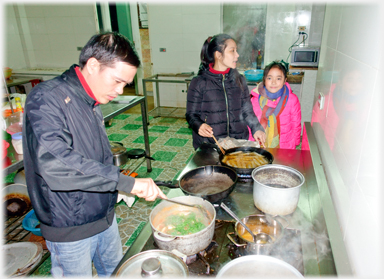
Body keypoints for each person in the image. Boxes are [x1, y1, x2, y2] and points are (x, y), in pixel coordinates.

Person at [22, 32, 167, 277]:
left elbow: (91, 158)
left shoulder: (91, 100)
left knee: (114, 271)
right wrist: (125, 183)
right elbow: (57, 165)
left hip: (103, 215)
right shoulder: (47, 98)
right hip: (69, 225)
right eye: (117, 81)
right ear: (93, 65)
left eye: (125, 84)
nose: (120, 91)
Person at [186, 34, 266, 150]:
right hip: (210, 144)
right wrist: (199, 125)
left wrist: (257, 128)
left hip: (237, 141)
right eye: (232, 51)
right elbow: (191, 114)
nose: (237, 55)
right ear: (218, 55)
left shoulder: (239, 79)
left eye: (236, 51)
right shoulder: (199, 82)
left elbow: (247, 110)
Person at [248, 60, 301, 149]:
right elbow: (250, 124)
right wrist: (250, 142)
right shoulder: (255, 100)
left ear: (285, 80)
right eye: (269, 78)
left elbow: (296, 125)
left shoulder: (292, 100)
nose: (273, 82)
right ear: (264, 80)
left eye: (278, 78)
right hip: (260, 146)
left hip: (285, 148)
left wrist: (295, 145)